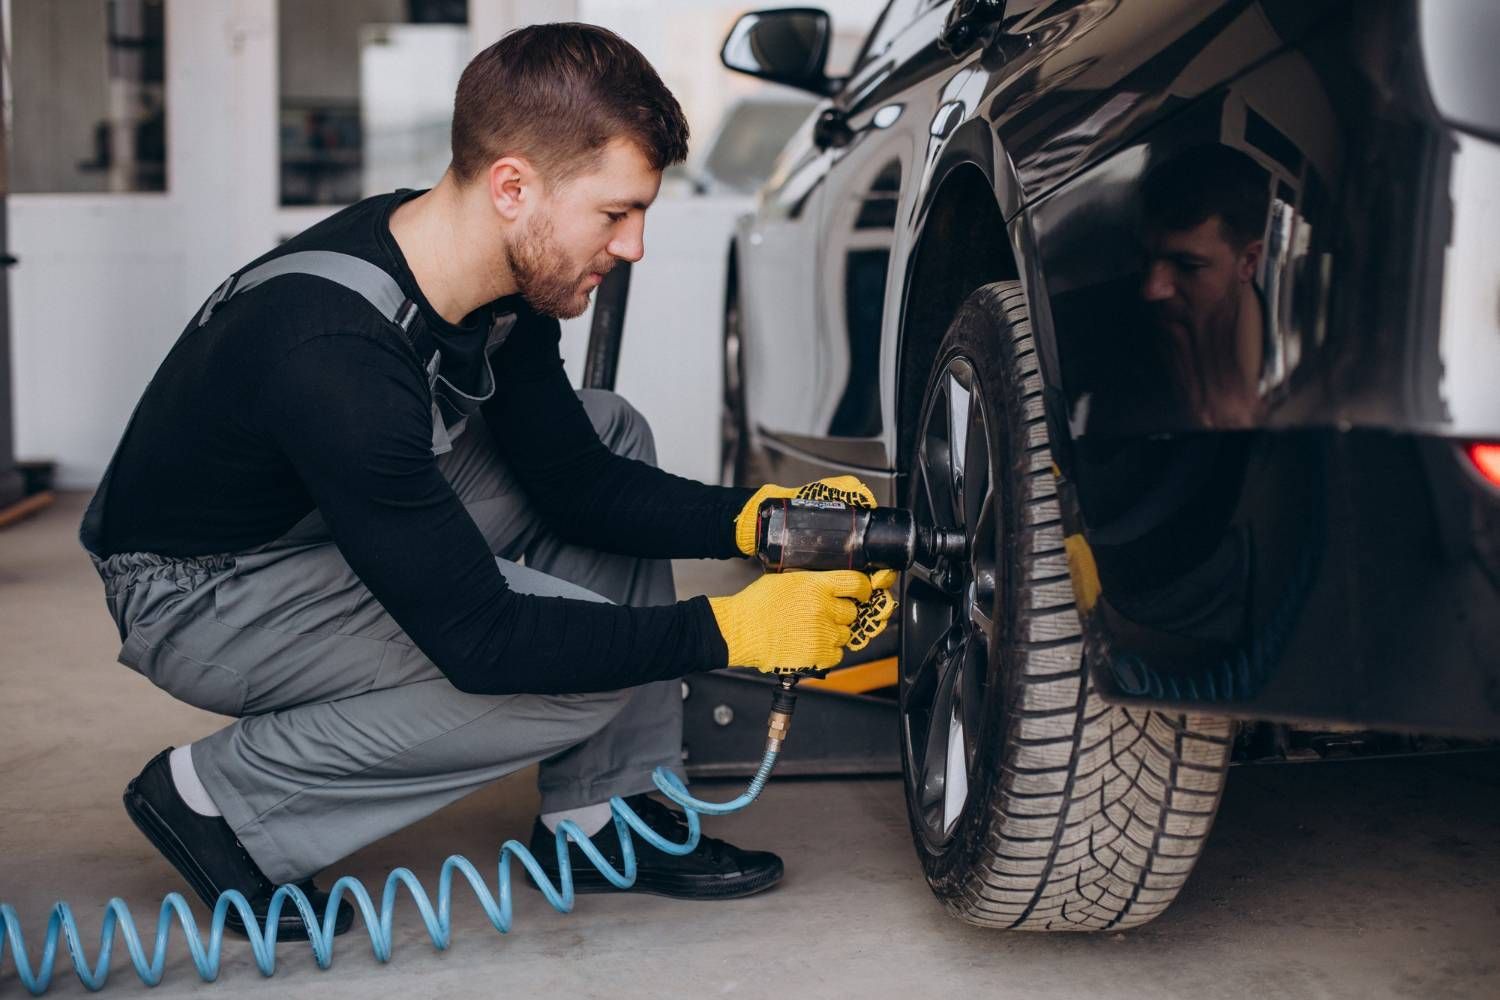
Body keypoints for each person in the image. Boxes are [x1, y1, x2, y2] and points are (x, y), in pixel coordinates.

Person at [79, 23, 896, 940]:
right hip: (201, 593)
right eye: (616, 213)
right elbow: (481, 638)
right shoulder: (334, 353)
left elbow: (578, 481)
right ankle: (225, 799)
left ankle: (600, 815)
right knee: (580, 672)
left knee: (606, 426)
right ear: (514, 186)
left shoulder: (491, 277)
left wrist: (763, 520)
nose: (632, 248)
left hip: (307, 526)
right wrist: (730, 629)